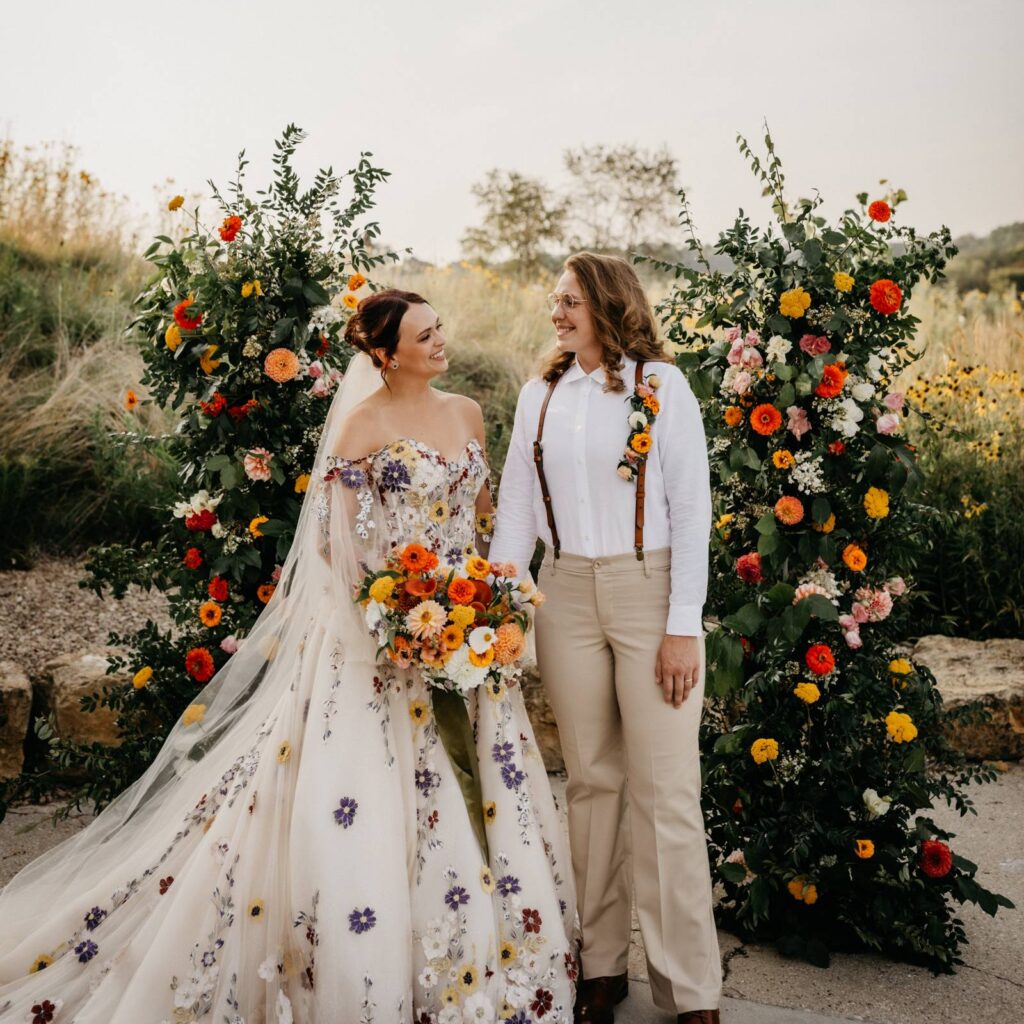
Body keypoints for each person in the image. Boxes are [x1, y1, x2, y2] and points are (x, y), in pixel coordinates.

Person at [0, 290, 577, 1024]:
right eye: (425, 335)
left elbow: (476, 521)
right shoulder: (361, 428)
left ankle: (482, 961)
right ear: (384, 354)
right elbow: (340, 554)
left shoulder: (466, 413)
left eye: (441, 329)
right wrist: (398, 625)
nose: (442, 343)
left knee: (486, 796)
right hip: (385, 649)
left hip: (467, 641)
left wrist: (481, 611)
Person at [489, 254, 721, 1024]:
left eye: (572, 302)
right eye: (555, 300)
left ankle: (690, 988)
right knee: (590, 782)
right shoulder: (540, 395)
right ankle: (601, 966)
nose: (557, 313)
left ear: (610, 306)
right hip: (565, 596)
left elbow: (692, 512)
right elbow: (517, 507)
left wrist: (683, 628)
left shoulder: (663, 387)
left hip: (649, 591)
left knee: (666, 791)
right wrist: (499, 601)